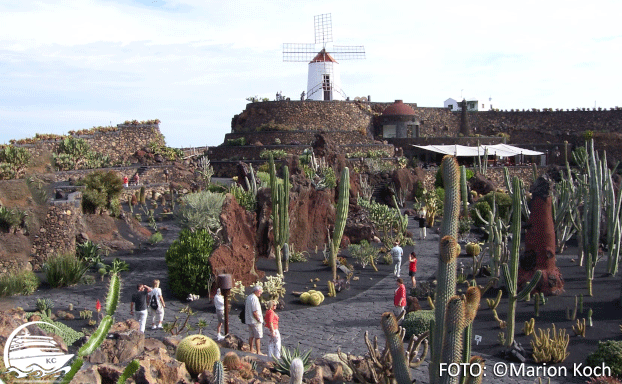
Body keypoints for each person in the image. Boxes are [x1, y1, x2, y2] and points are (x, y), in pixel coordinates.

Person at [245, 285, 264, 355]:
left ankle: (251, 349)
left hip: (249, 320)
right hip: (255, 321)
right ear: (256, 291)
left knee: (251, 335)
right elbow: (255, 312)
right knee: (257, 336)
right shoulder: (254, 299)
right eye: (260, 291)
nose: (260, 293)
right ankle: (258, 351)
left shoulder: (249, 297)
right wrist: (259, 319)